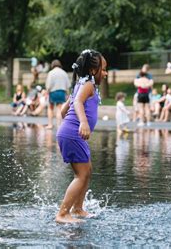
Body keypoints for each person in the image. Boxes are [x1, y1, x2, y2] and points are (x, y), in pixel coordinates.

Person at [55, 49, 107, 224]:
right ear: (93, 71)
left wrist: (70, 124)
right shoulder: (88, 86)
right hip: (73, 134)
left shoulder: (79, 85)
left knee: (86, 171)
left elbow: (63, 111)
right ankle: (62, 214)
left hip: (71, 134)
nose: (105, 73)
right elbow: (77, 103)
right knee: (81, 175)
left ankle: (78, 208)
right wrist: (82, 123)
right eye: (104, 69)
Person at [45, 60, 70, 129]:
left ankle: (50, 124)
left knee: (50, 108)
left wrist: (47, 92)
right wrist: (67, 94)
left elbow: (49, 85)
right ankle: (59, 125)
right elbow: (68, 85)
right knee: (59, 108)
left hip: (53, 92)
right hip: (62, 92)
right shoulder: (64, 73)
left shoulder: (51, 73)